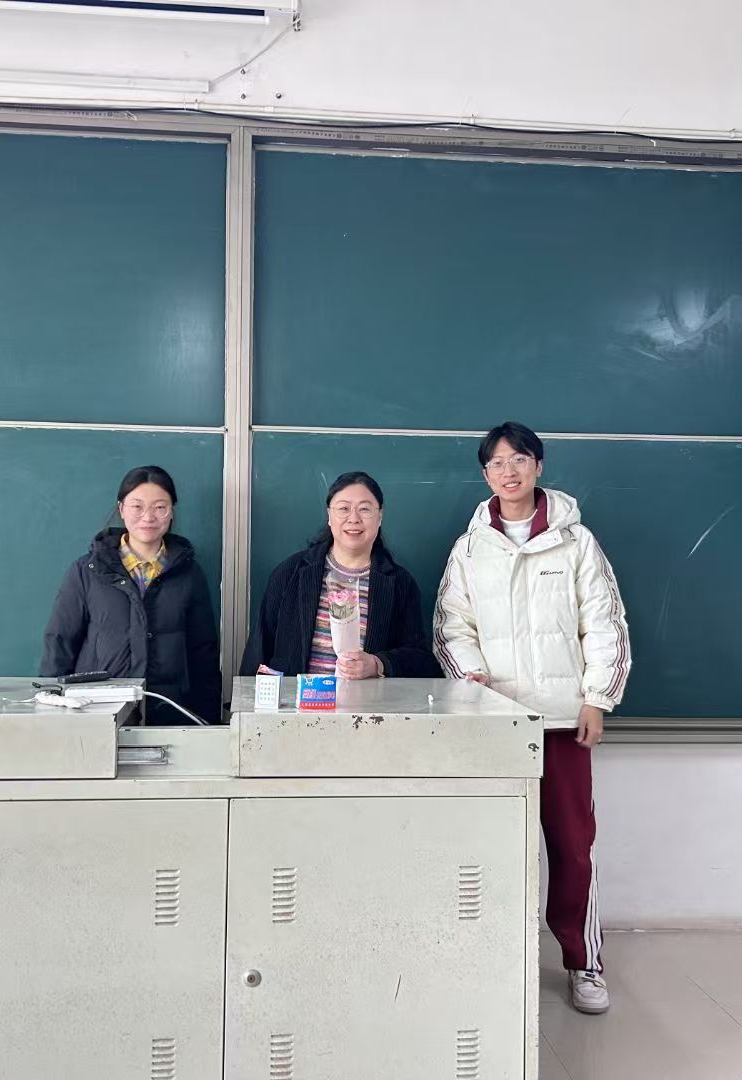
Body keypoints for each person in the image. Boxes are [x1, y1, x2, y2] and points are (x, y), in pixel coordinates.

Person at [432, 422, 631, 1016]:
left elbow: (605, 624)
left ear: (538, 466)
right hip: (495, 726)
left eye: (519, 459)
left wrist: (597, 698)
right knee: (491, 848)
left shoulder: (576, 543)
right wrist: (471, 680)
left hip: (563, 722)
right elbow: (451, 626)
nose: (508, 471)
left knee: (572, 847)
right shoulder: (470, 548)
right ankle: (497, 960)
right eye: (496, 463)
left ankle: (583, 961)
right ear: (485, 475)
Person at [40, 465, 221, 725]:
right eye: (137, 506)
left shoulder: (189, 574)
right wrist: (50, 706)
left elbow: (203, 652)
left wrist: (208, 720)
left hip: (169, 713)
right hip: (95, 714)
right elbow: (60, 642)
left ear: (172, 512)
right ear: (121, 509)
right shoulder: (87, 570)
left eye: (160, 507)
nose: (148, 517)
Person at [240, 471, 441, 680]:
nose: (353, 519)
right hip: (296, 700)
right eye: (344, 508)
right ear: (329, 515)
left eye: (364, 509)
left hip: (367, 701)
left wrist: (378, 664)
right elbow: (259, 650)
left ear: (380, 516)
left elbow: (420, 658)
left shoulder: (400, 583)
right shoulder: (291, 573)